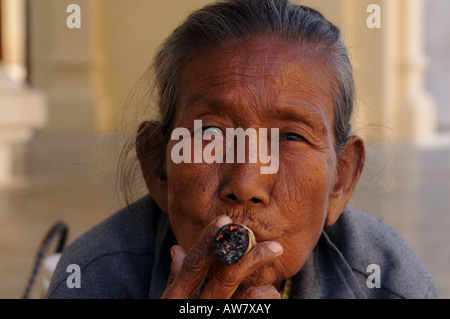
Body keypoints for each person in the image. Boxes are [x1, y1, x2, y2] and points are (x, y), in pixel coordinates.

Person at [46, 0, 439, 299]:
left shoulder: (386, 278)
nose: (246, 183)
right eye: (211, 133)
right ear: (158, 167)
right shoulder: (95, 275)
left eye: (291, 137)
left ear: (342, 178)